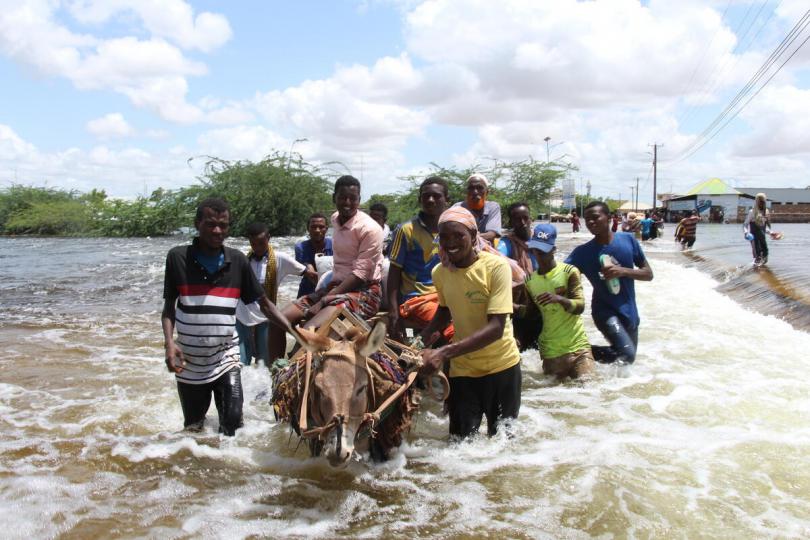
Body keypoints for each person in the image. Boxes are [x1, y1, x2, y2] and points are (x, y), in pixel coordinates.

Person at [162, 198, 296, 435]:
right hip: (190, 361)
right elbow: (169, 308)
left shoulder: (238, 261)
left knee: (233, 427)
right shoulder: (177, 258)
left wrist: (296, 333)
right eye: (211, 224)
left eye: (223, 225)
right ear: (197, 224)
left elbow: (264, 304)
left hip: (226, 357)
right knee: (193, 429)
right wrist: (169, 344)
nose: (217, 231)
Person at [419, 206, 521, 439]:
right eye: (444, 237)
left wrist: (444, 353)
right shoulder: (440, 272)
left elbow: (496, 328)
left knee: (503, 443)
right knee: (460, 445)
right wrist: (419, 341)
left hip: (502, 366)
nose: (450, 242)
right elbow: (444, 311)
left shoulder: (496, 268)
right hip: (463, 369)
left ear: (474, 237)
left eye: (458, 235)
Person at [283, 175, 384, 329]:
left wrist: (325, 300)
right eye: (343, 198)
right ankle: (277, 355)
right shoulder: (335, 219)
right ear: (334, 198)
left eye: (353, 198)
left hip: (365, 293)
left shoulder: (370, 229)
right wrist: (328, 295)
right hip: (335, 287)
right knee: (278, 320)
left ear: (359, 199)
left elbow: (361, 275)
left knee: (309, 330)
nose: (348, 203)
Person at [565, 201, 653, 365]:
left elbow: (648, 274)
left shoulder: (628, 240)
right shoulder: (582, 253)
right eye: (587, 219)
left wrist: (623, 271)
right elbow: (560, 274)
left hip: (630, 310)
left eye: (595, 217)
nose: (591, 222)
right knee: (627, 354)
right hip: (604, 311)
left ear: (611, 218)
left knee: (625, 359)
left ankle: (583, 354)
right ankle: (578, 352)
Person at [523, 224, 594, 380]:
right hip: (551, 353)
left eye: (544, 250)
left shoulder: (569, 272)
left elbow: (580, 306)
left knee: (589, 390)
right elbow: (530, 313)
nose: (539, 255)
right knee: (554, 400)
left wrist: (560, 299)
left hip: (578, 349)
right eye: (536, 250)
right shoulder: (529, 281)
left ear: (554, 249)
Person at [386, 176, 452, 342]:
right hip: (416, 299)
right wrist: (393, 312)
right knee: (454, 324)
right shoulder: (406, 230)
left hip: (448, 296)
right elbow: (394, 272)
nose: (430, 200)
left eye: (436, 196)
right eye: (426, 196)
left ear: (447, 200)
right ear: (420, 199)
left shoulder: (453, 230)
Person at [235, 222, 309, 368]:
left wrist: (316, 294)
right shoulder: (243, 260)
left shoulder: (280, 258)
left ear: (269, 238)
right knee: (241, 362)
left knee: (265, 362)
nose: (257, 248)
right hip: (242, 316)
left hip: (265, 316)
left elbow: (307, 273)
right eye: (253, 244)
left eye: (261, 243)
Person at [497, 202, 542, 351]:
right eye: (517, 219)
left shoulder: (541, 241)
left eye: (525, 218)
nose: (522, 222)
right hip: (519, 305)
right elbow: (497, 260)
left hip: (542, 301)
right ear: (511, 222)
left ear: (531, 219)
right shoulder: (506, 244)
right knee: (519, 349)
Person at [452, 173, 502, 243]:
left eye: (479, 188)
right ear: (467, 192)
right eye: (471, 188)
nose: (475, 192)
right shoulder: (457, 208)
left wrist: (467, 238)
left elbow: (491, 235)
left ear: (487, 192)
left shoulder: (493, 207)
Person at [294, 213, 333, 298]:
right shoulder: (301, 247)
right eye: (313, 227)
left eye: (321, 227)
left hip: (332, 290)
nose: (317, 230)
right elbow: (311, 274)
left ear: (326, 229)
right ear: (308, 229)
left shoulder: (335, 245)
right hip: (307, 292)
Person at [744, 192, 771, 265]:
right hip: (754, 239)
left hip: (762, 239)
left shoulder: (766, 212)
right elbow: (745, 224)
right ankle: (754, 272)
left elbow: (763, 228)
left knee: (765, 259)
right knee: (758, 258)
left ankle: (760, 274)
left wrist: (771, 233)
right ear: (756, 201)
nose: (761, 203)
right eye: (760, 201)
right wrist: (746, 232)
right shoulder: (752, 212)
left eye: (763, 201)